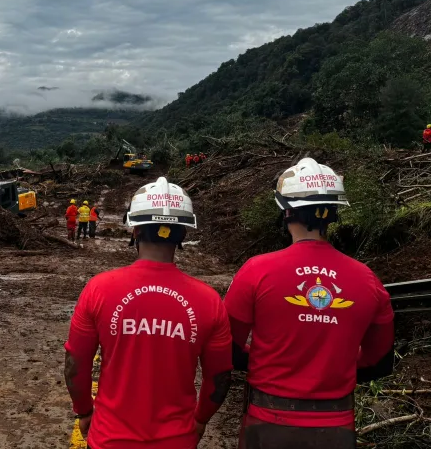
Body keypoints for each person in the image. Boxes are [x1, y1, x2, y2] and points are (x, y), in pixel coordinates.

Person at [224, 158, 394, 449]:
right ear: (334, 214)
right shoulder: (368, 280)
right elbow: (379, 361)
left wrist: (272, 361)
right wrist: (329, 365)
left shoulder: (256, 271)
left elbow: (227, 347)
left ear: (286, 211)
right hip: (336, 426)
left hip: (267, 423)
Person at [64, 177, 233, 448]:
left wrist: (83, 411)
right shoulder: (209, 301)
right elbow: (220, 376)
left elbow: (76, 364)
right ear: (184, 234)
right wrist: (201, 420)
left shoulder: (99, 289)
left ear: (134, 230)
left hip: (110, 438)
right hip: (177, 440)